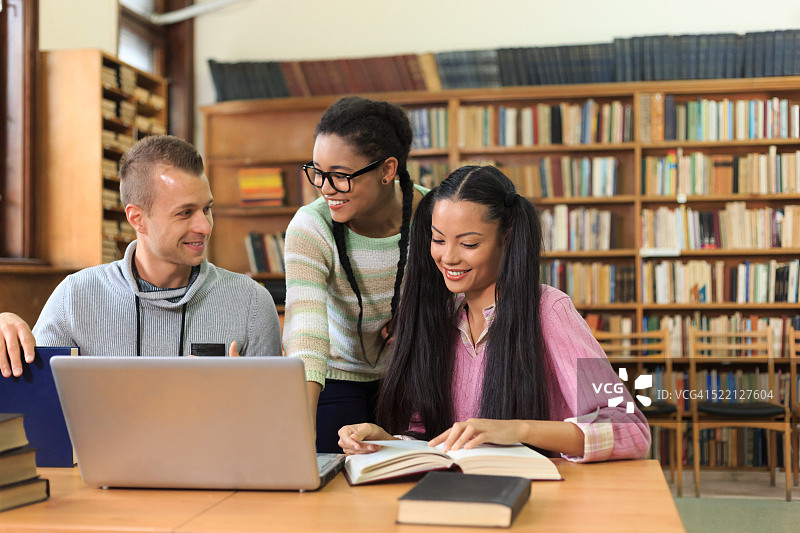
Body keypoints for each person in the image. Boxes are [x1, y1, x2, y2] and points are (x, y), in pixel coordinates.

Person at [338, 165, 650, 462]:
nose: (448, 257)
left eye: (469, 243)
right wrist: (385, 442)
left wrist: (517, 429)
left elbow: (630, 429)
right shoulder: (441, 320)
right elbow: (434, 440)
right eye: (438, 239)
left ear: (506, 236)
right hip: (460, 497)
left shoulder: (550, 310)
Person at [0, 134, 280, 376]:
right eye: (185, 213)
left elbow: (273, 422)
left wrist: (242, 396)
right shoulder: (75, 297)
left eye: (206, 209)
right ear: (137, 219)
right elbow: (33, 399)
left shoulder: (251, 303)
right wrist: (5, 332)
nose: (204, 227)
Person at [283, 96, 427, 452]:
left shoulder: (432, 215)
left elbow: (463, 298)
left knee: (417, 463)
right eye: (317, 171)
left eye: (341, 176)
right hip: (334, 374)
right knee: (331, 462)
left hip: (411, 371)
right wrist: (296, 433)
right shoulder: (310, 226)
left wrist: (417, 321)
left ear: (387, 170)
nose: (325, 188)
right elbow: (307, 334)